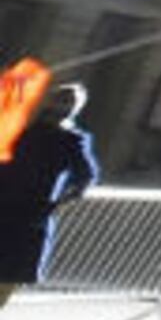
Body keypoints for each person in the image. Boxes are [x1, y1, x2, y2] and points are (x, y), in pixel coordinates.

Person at [0, 82, 100, 288]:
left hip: (31, 211)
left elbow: (85, 176)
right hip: (7, 203)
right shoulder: (22, 128)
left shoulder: (72, 140)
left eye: (69, 102)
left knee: (12, 274)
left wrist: (56, 204)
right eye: (60, 99)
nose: (62, 106)